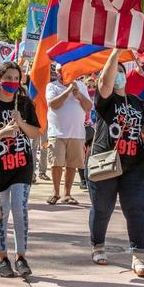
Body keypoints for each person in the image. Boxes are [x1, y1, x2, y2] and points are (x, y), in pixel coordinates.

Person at [88, 48, 144, 277]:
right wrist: (116, 51)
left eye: (121, 71)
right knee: (102, 208)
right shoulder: (105, 99)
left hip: (134, 165)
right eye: (114, 71)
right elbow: (105, 84)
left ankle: (138, 255)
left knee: (135, 209)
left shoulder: (137, 102)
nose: (118, 75)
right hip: (106, 162)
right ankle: (98, 245)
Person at [0, 61, 41, 278]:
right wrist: (3, 133)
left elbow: (36, 133)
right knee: (2, 211)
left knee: (19, 207)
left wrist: (21, 124)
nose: (12, 82)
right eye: (8, 78)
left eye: (16, 79)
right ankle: (2, 257)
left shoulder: (25, 103)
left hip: (22, 167)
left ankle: (21, 256)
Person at [45, 64, 91, 204]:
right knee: (56, 163)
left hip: (76, 132)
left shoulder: (81, 86)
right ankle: (55, 192)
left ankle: (67, 194)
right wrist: (68, 91)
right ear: (57, 72)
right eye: (60, 71)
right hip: (57, 132)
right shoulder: (52, 86)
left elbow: (88, 107)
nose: (63, 73)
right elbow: (53, 105)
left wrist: (79, 95)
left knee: (72, 164)